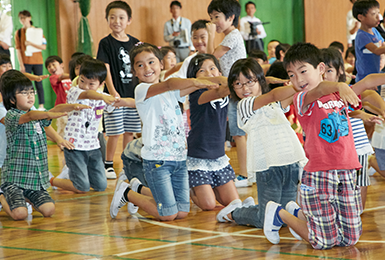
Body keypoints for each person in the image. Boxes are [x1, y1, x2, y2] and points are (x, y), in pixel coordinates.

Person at [263, 42, 382, 249]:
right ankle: (279, 213)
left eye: (303, 71)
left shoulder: (339, 95)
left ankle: (297, 212)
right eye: (291, 75)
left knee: (350, 239)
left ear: (320, 69)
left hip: (346, 171)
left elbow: (369, 81)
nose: (298, 79)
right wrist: (339, 85)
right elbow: (319, 91)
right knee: (324, 241)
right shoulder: (302, 98)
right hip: (319, 174)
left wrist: (344, 88)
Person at [109, 43, 218, 221]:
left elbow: (183, 88)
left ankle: (138, 188)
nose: (147, 68)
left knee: (182, 212)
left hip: (179, 158)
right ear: (135, 72)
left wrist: (207, 82)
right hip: (157, 160)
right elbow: (169, 84)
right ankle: (127, 193)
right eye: (140, 65)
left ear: (161, 64)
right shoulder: (142, 90)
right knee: (168, 214)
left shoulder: (172, 92)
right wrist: (195, 81)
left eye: (151, 62)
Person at [215, 58, 306, 237]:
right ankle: (234, 213)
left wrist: (296, 85)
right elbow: (273, 95)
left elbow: (287, 98)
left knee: (283, 217)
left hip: (291, 161)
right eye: (238, 84)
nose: (245, 88)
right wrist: (299, 84)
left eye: (250, 82)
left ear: (260, 81)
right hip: (268, 166)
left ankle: (259, 208)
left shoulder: (274, 105)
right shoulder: (245, 105)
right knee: (265, 219)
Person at [0, 70, 89, 220]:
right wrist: (48, 114)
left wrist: (71, 106)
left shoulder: (36, 113)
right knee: (20, 214)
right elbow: (30, 116)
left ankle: (25, 198)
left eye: (31, 91)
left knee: (49, 210)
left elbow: (52, 111)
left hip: (33, 180)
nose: (30, 96)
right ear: (12, 99)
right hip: (14, 179)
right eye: (24, 93)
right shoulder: (12, 116)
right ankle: (2, 195)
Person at [50, 59, 135, 194]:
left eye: (91, 84)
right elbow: (88, 94)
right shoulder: (75, 91)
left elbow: (122, 102)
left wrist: (139, 102)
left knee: (100, 186)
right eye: (82, 81)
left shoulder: (103, 97)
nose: (85, 86)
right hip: (74, 146)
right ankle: (52, 180)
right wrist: (103, 97)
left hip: (93, 147)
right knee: (82, 187)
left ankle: (75, 173)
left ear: (101, 84)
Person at [186, 54, 252, 210]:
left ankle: (209, 186)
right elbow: (219, 92)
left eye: (212, 68)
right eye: (202, 70)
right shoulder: (197, 95)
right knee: (208, 205)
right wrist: (222, 79)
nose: (209, 73)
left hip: (218, 157)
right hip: (199, 157)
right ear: (195, 77)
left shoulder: (224, 91)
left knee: (233, 203)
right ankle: (189, 188)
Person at [322, 47, 385, 209]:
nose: (324, 76)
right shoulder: (317, 98)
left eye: (329, 70)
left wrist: (380, 109)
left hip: (358, 146)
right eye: (321, 71)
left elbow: (368, 90)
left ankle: (358, 211)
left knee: (361, 183)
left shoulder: (346, 91)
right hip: (335, 151)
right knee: (339, 187)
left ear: (340, 71)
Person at [97, 0, 141, 179]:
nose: (117, 21)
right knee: (114, 132)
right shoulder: (105, 43)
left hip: (132, 96)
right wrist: (112, 91)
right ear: (107, 19)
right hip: (114, 96)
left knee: (129, 131)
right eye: (112, 17)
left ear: (129, 20)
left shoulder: (136, 43)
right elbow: (105, 68)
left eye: (121, 17)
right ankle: (108, 164)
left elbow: (140, 67)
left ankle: (126, 164)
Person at [207, 0, 249, 188]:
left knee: (239, 135)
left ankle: (245, 175)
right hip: (235, 89)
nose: (213, 22)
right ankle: (248, 172)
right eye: (211, 18)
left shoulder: (232, 36)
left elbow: (209, 59)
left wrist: (209, 35)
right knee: (239, 134)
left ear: (230, 17)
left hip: (239, 90)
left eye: (217, 17)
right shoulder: (229, 36)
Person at [15, 10, 46, 111]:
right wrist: (21, 64)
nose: (23, 20)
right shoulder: (19, 33)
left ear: (30, 18)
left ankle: (41, 105)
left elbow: (43, 46)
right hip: (25, 62)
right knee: (26, 84)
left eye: (24, 18)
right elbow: (18, 49)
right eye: (21, 18)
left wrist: (31, 44)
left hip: (38, 61)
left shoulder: (38, 31)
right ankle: (28, 105)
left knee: (39, 82)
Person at [353, 0, 385, 83]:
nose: (378, 17)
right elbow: (376, 51)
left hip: (375, 76)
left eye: (378, 13)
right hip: (365, 79)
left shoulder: (375, 31)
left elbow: (382, 44)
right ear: (361, 17)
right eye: (374, 14)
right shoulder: (362, 35)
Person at [45, 56, 72, 138]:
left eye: (53, 64)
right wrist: (74, 75)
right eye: (49, 67)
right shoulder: (53, 77)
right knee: (62, 126)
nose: (52, 68)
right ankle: (62, 143)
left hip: (71, 105)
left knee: (71, 125)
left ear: (61, 65)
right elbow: (61, 77)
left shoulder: (70, 78)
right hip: (61, 106)